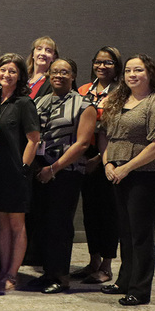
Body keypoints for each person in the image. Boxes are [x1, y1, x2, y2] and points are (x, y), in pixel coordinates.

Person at [100, 54, 155, 306]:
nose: (132, 74)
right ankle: (124, 280)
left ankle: (140, 290)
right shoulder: (119, 100)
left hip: (145, 175)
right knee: (125, 230)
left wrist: (126, 168)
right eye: (129, 70)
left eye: (138, 70)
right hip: (119, 172)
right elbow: (109, 137)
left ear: (149, 73)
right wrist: (108, 163)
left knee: (140, 234)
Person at [30, 58, 96, 294]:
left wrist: (53, 169)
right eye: (54, 71)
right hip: (41, 171)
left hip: (65, 173)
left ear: (73, 75)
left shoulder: (83, 105)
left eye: (64, 72)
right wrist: (38, 167)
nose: (58, 75)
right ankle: (48, 272)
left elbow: (83, 143)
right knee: (43, 223)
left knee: (60, 225)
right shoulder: (41, 101)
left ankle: (61, 276)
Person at [0, 53, 40, 294]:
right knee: (2, 224)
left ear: (20, 76)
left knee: (17, 224)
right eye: (3, 70)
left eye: (12, 71)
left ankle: (12, 274)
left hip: (16, 173)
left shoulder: (24, 103)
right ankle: (2, 270)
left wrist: (24, 169)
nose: (6, 74)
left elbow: (33, 140)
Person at [73, 46, 123, 283]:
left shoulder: (122, 92)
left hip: (110, 155)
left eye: (108, 62)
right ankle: (93, 261)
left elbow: (119, 130)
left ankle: (106, 265)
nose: (102, 66)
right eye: (98, 62)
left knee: (108, 212)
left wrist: (99, 159)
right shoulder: (84, 89)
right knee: (90, 211)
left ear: (117, 66)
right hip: (85, 153)